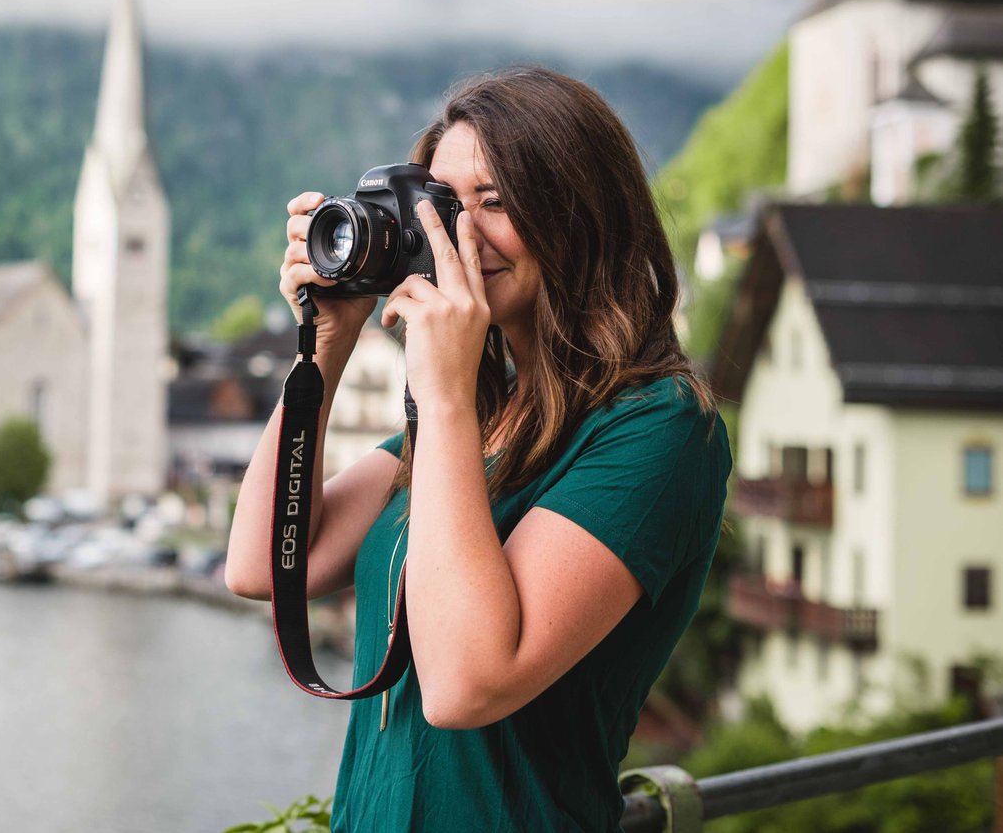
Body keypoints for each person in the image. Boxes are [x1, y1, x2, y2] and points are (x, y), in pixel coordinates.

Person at [224, 66, 731, 832]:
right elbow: (263, 565)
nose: (459, 237)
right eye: (441, 207)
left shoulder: (658, 430)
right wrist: (327, 343)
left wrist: (447, 394)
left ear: (583, 214)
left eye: (495, 203)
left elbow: (464, 685)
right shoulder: (467, 422)